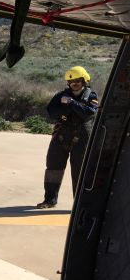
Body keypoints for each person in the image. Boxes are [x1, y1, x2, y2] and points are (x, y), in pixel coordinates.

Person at [37, 66, 99, 209]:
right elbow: (51, 112)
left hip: (82, 138)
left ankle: (79, 205)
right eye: (71, 81)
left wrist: (72, 103)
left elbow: (89, 113)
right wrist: (67, 111)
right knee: (53, 168)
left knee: (80, 171)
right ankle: (49, 200)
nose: (74, 83)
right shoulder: (60, 95)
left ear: (84, 81)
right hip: (60, 137)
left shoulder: (91, 96)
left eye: (78, 80)